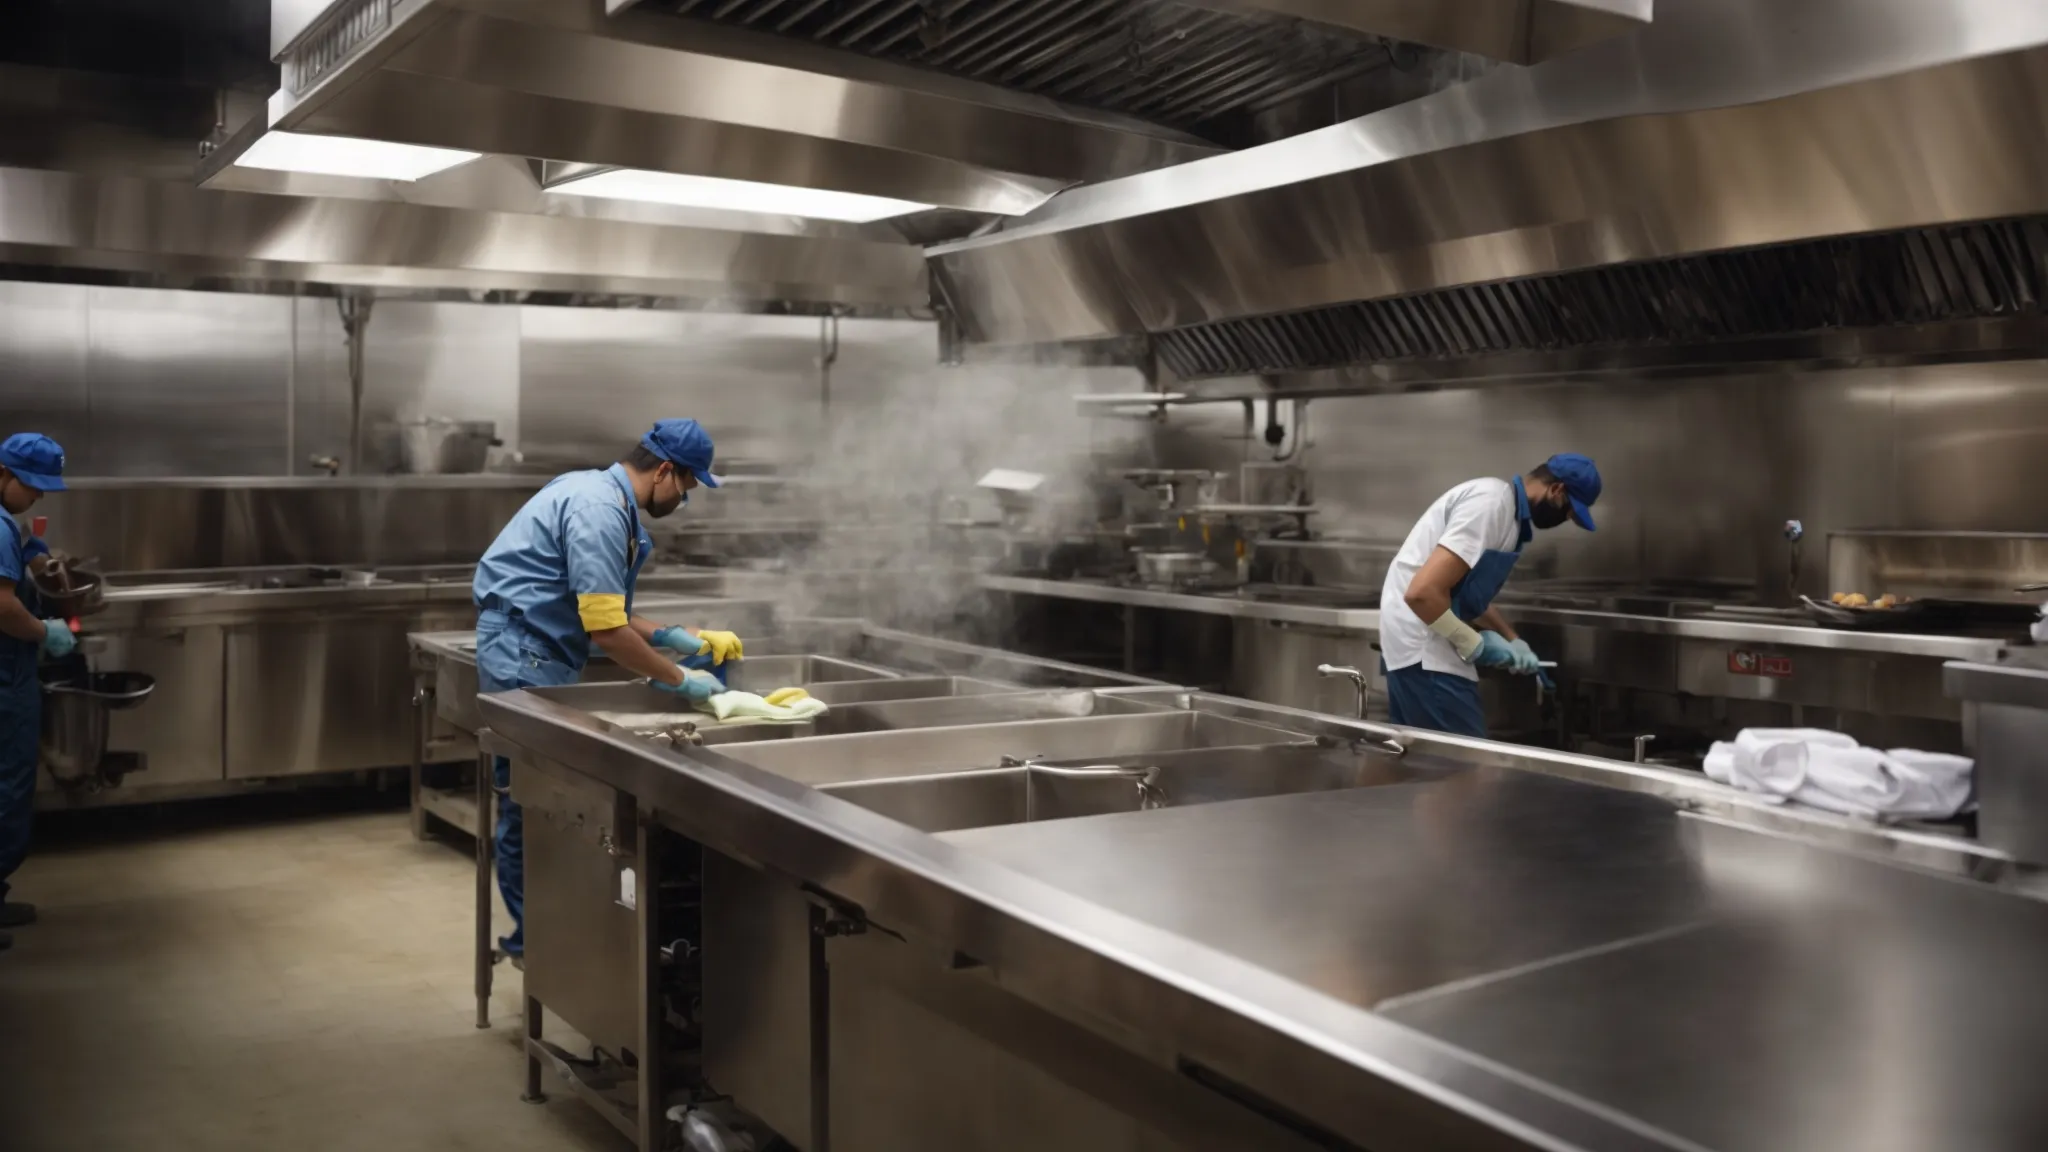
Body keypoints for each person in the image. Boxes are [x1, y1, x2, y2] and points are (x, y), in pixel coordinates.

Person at [472, 419, 743, 964]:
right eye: (687, 486)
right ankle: (536, 942)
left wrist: (673, 637)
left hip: (535, 648)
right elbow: (606, 631)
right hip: (526, 655)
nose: (685, 498)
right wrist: (680, 679)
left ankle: (545, 933)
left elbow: (605, 607)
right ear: (665, 471)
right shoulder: (599, 510)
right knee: (533, 802)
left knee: (541, 801)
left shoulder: (597, 493)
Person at [1377, 454, 1602, 739]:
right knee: (1467, 771)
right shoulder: (1491, 505)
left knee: (1419, 762)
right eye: (1569, 511)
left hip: (1421, 647)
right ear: (1556, 491)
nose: (1566, 519)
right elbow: (1422, 593)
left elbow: (1465, 593)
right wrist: (1475, 644)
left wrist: (1513, 640)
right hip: (1426, 650)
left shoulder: (1508, 516)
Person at [0, 434, 77, 953]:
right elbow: (2, 608)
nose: (39, 497)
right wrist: (45, 632)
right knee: (5, 789)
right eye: (33, 487)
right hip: (5, 678)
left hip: (10, 673)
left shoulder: (8, 525)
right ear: (5, 475)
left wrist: (34, 552)